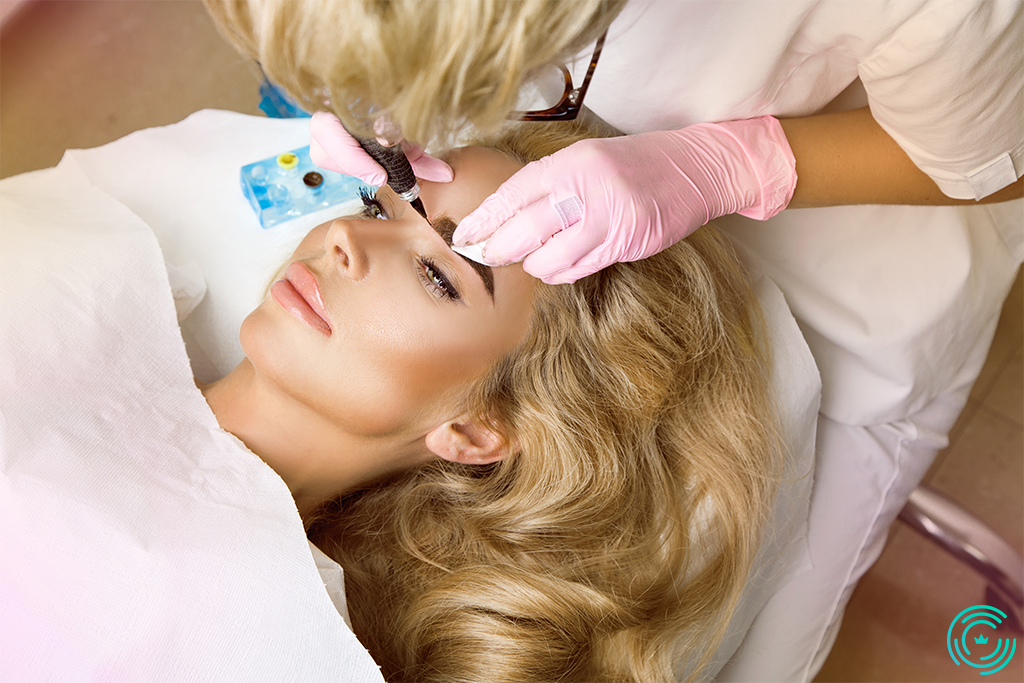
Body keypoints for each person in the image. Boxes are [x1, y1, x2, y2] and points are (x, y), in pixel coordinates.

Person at [202, 120, 795, 682]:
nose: (344, 237)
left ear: (479, 430)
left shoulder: (270, 643)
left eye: (436, 275)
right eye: (375, 206)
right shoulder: (119, 296)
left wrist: (746, 163)